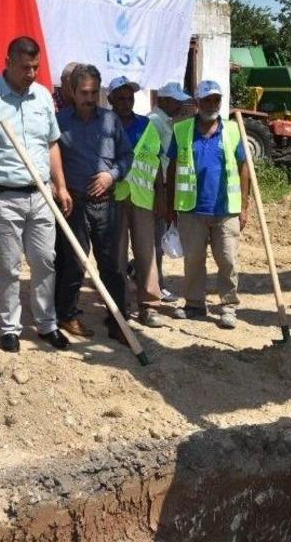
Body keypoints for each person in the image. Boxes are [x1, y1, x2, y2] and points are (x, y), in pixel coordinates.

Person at [0, 36, 72, 353]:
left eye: (35, 67)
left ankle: (47, 324)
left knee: (45, 261)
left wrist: (60, 186)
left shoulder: (43, 96)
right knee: (8, 265)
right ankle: (9, 328)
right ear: (7, 61)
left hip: (41, 195)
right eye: (24, 67)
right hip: (1, 196)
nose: (31, 73)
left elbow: (51, 144)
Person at [53, 64, 133, 344]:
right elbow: (50, 159)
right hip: (73, 204)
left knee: (111, 265)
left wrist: (112, 176)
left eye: (94, 92)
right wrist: (57, 187)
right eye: (84, 92)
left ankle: (117, 320)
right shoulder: (60, 122)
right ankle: (66, 314)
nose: (89, 98)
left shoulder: (111, 121)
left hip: (107, 206)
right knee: (73, 263)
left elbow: (127, 156)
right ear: (72, 92)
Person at [165, 80, 249, 329]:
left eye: (216, 100)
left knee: (228, 260)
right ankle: (194, 304)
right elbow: (172, 169)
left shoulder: (234, 130)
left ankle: (228, 306)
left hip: (225, 209)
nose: (212, 105)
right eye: (207, 100)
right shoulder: (182, 131)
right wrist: (170, 205)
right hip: (192, 209)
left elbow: (245, 169)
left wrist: (244, 207)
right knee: (193, 260)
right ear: (197, 103)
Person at [110, 75, 165, 328]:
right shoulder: (105, 125)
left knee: (146, 253)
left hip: (144, 199)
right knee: (117, 256)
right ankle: (119, 306)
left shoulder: (147, 126)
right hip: (115, 199)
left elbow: (157, 164)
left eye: (129, 97)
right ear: (110, 99)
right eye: (119, 98)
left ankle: (149, 305)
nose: (125, 102)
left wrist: (162, 197)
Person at [149, 82, 192, 304]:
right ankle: (157, 286)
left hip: (165, 187)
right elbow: (156, 159)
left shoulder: (166, 122)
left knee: (159, 237)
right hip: (159, 189)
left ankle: (147, 276)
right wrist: (161, 195)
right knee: (157, 240)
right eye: (176, 100)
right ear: (164, 100)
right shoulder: (155, 122)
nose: (179, 104)